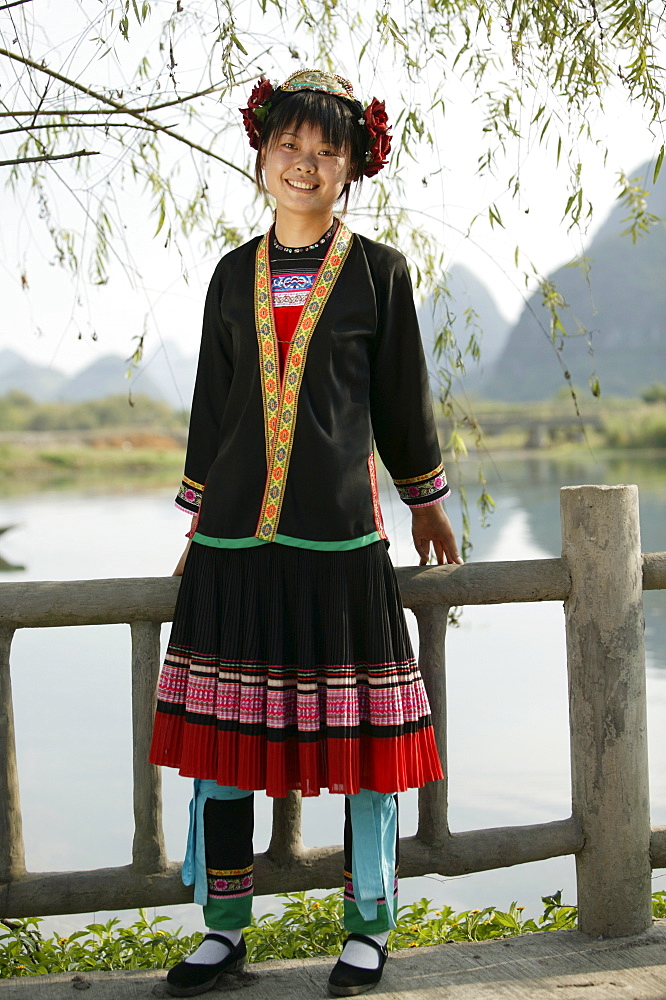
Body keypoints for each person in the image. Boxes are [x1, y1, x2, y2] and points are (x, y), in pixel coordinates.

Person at [149, 68, 462, 998]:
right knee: (222, 745)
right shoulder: (227, 275)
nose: (305, 163)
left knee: (366, 747)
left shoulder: (380, 274)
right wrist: (200, 516)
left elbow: (403, 399)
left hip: (341, 546)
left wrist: (426, 496)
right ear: (260, 153)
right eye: (289, 144)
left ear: (353, 170)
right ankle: (225, 927)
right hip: (235, 551)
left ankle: (367, 928)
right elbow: (214, 409)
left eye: (327, 151)